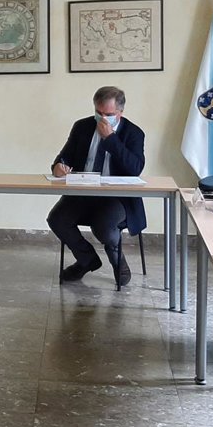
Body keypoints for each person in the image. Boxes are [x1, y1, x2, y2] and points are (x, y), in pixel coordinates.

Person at [48, 86, 146, 285]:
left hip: (116, 197)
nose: (102, 118)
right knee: (57, 219)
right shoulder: (82, 127)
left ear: (120, 113)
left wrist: (110, 139)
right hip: (83, 192)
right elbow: (64, 157)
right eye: (98, 113)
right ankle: (87, 260)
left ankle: (118, 260)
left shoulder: (133, 133)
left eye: (108, 114)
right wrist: (58, 166)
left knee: (103, 226)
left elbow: (135, 168)